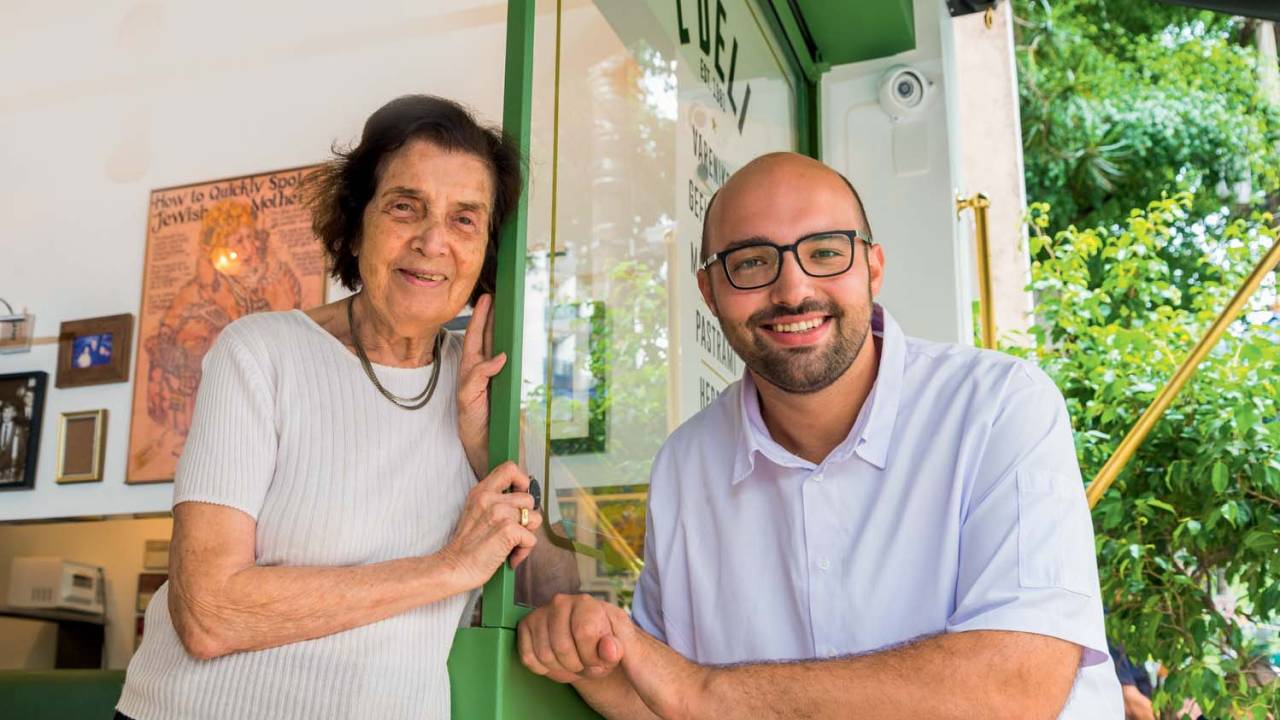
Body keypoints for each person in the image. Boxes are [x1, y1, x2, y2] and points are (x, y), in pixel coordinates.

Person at [517, 152, 1124, 718]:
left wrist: (704, 689)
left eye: (826, 252)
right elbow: (664, 696)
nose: (792, 290)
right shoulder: (687, 462)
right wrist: (590, 655)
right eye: (752, 262)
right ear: (709, 292)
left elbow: (1015, 685)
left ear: (873, 267)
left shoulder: (998, 405)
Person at [116, 95, 551, 720]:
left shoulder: (487, 388)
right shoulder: (259, 353)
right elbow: (208, 614)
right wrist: (448, 569)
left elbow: (553, 590)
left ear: (486, 251)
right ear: (354, 225)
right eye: (406, 207)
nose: (433, 242)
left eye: (465, 220)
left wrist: (488, 453)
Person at [0, 403, 26, 483]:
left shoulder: (19, 430)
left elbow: (22, 453)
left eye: (9, 412)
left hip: (11, 473)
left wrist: (18, 471)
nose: (6, 415)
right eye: (4, 412)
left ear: (14, 414)